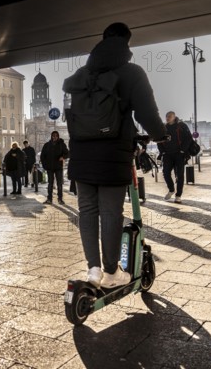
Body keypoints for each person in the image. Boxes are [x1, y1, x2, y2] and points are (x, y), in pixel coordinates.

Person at [64, 22, 166, 289]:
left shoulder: (83, 74)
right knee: (111, 212)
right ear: (126, 43)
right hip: (112, 153)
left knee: (87, 211)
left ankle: (94, 270)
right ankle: (111, 272)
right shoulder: (131, 73)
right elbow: (147, 112)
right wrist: (161, 135)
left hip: (81, 154)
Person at [157, 111, 192, 204]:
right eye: (166, 116)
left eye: (169, 116)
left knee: (179, 175)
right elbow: (159, 140)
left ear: (174, 117)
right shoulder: (163, 128)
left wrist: (182, 150)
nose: (167, 118)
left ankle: (178, 195)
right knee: (165, 173)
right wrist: (163, 152)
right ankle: (171, 189)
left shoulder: (181, 126)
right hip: (167, 154)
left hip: (179, 154)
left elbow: (188, 138)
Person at [40, 131, 69, 205]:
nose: (54, 137)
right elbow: (42, 156)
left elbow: (68, 153)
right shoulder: (47, 145)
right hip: (50, 168)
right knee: (50, 183)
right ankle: (49, 199)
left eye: (56, 136)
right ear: (51, 136)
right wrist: (45, 165)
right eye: (53, 136)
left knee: (59, 184)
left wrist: (63, 157)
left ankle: (60, 199)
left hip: (58, 167)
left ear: (58, 136)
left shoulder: (61, 144)